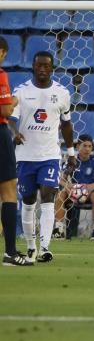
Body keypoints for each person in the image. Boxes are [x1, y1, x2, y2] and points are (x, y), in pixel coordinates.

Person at [9, 51, 74, 264]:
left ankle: (45, 247)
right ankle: (30, 246)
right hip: (25, 156)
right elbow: (10, 119)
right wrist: (14, 133)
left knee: (48, 197)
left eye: (47, 66)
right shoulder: (21, 92)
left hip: (49, 156)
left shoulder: (62, 93)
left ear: (52, 68)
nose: (43, 69)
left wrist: (71, 152)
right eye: (39, 66)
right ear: (33, 67)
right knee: (28, 202)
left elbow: (66, 124)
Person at [52, 134, 94, 241]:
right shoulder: (72, 161)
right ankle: (58, 230)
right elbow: (60, 178)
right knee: (61, 195)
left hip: (90, 193)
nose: (87, 149)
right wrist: (67, 185)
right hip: (74, 193)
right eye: (84, 146)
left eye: (90, 146)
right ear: (78, 147)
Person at [0, 36, 27, 266]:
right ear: (3, 53)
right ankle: (10, 253)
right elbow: (6, 109)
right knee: (8, 193)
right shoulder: (1, 75)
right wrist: (15, 100)